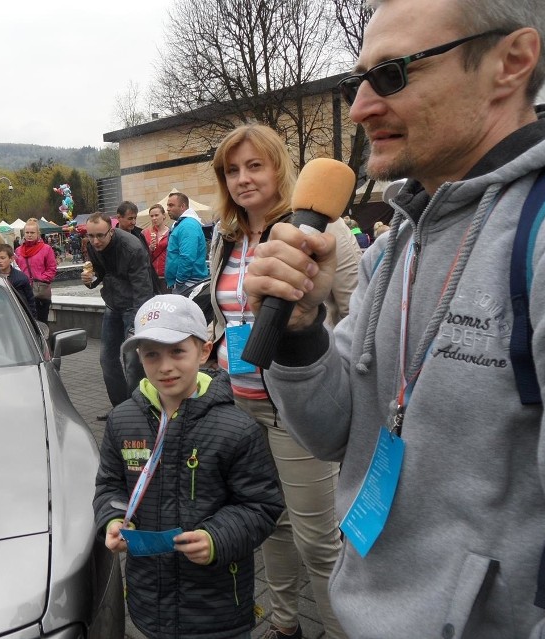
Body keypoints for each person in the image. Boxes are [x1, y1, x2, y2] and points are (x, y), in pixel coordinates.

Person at [243, 0, 545, 636]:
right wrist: (300, 332)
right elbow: (333, 432)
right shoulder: (401, 241)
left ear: (511, 62)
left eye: (392, 74)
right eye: (356, 80)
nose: (360, 107)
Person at [210, 124, 360, 639]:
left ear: (279, 168)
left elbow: (357, 315)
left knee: (318, 540)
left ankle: (342, 630)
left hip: (298, 409)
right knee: (268, 522)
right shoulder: (225, 237)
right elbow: (225, 309)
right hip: (242, 403)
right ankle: (284, 624)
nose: (243, 179)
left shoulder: (322, 231)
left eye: (255, 165)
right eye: (232, 170)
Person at [93, 294, 283, 639]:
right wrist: (113, 519)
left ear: (205, 351)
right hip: (149, 596)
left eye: (178, 351)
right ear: (139, 356)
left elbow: (262, 506)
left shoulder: (236, 428)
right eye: (152, 354)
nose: (165, 366)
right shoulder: (122, 421)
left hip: (217, 606)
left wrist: (216, 537)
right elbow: (109, 485)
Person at [81, 212, 154, 417]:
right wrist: (90, 281)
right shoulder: (92, 246)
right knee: (106, 359)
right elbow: (100, 274)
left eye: (100, 236)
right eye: (91, 236)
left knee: (132, 362)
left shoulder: (132, 248)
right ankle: (120, 408)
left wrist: (137, 324)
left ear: (111, 231)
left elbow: (143, 288)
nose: (95, 241)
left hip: (133, 307)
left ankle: (137, 411)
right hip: (112, 305)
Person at [165, 192, 209, 295]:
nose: (167, 209)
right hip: (186, 282)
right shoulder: (183, 224)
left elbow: (187, 257)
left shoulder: (188, 225)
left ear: (183, 206)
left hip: (187, 284)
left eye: (171, 205)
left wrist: (179, 281)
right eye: (167, 205)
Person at [15, 218, 57, 323]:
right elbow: (16, 268)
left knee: (42, 323)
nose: (29, 235)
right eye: (27, 232)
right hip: (23, 292)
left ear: (38, 233)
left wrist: (41, 280)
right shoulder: (18, 251)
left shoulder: (46, 249)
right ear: (23, 234)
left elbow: (52, 269)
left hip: (40, 292)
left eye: (32, 232)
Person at [0, 243, 36, 317]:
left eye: (2, 258)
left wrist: (33, 319)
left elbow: (30, 301)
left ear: (11, 259)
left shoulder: (21, 278)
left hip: (18, 315)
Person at [142, 203, 170, 293]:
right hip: (151, 275)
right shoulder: (145, 233)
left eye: (156, 215)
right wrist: (149, 249)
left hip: (167, 275)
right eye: (151, 216)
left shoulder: (171, 233)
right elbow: (141, 256)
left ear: (164, 216)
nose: (154, 218)